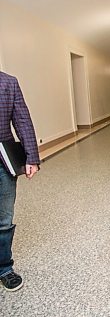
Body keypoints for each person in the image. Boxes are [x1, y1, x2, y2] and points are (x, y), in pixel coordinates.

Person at [0, 71, 40, 292]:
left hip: (2, 161)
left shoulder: (9, 82)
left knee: (4, 218)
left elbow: (22, 120)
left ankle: (5, 268)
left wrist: (31, 157)